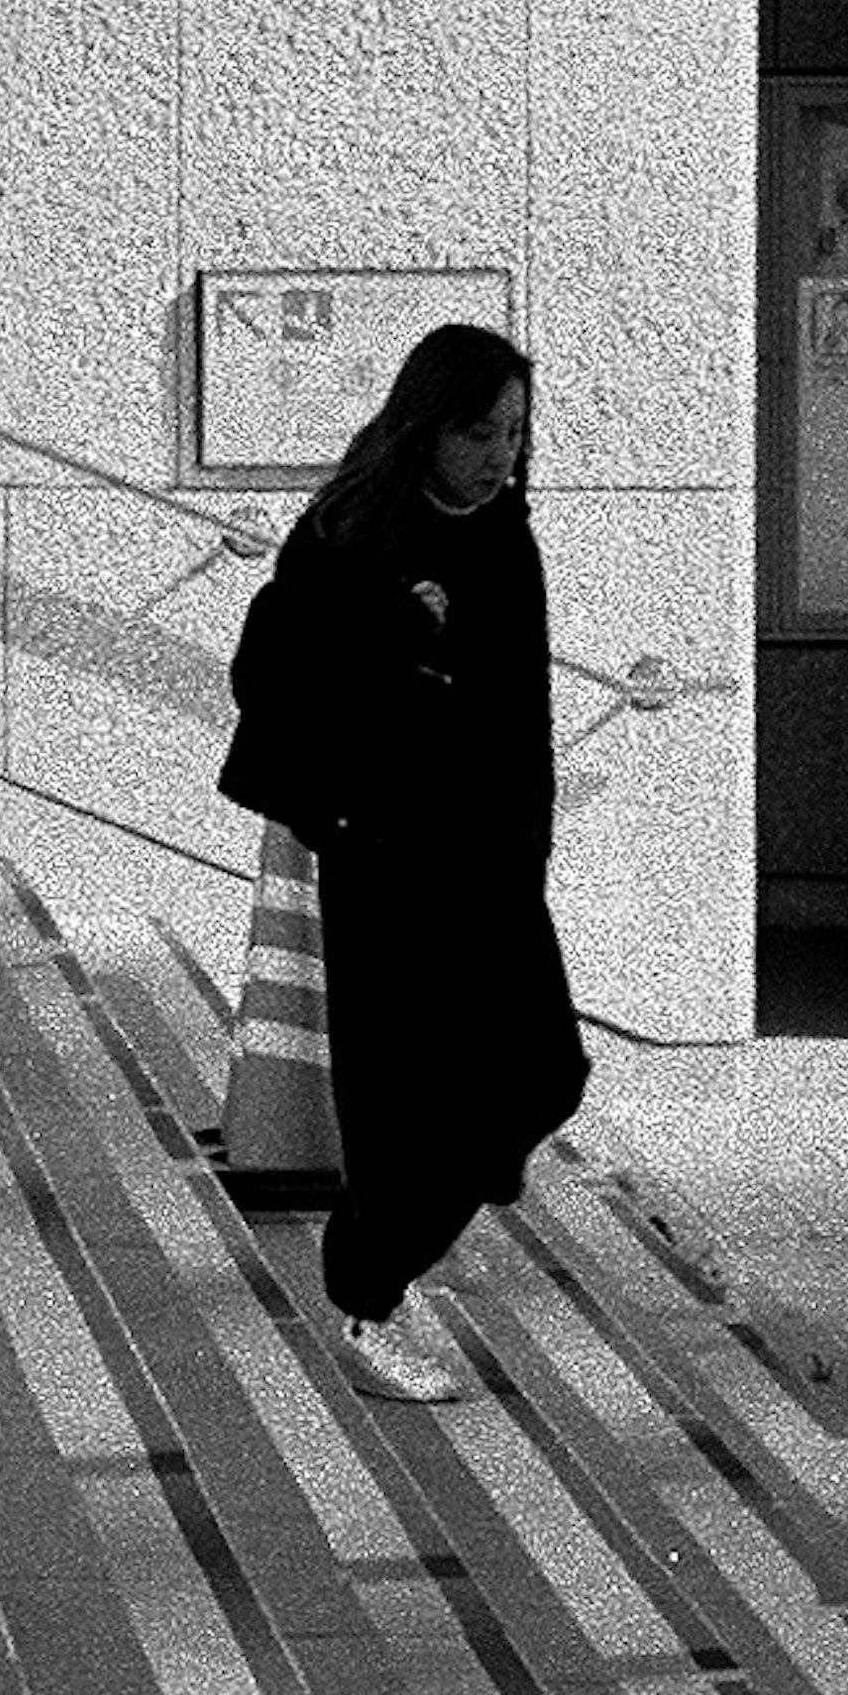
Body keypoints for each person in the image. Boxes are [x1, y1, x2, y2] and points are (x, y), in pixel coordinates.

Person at [216, 319, 590, 1405]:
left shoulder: (506, 537)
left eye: (515, 434)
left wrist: (528, 855)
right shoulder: (348, 533)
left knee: (543, 1073)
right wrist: (398, 657)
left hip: (491, 863)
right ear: (425, 426)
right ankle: (372, 1302)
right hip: (384, 859)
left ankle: (389, 1255)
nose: (500, 457)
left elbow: (520, 718)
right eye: (479, 433)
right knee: (402, 1093)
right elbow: (271, 678)